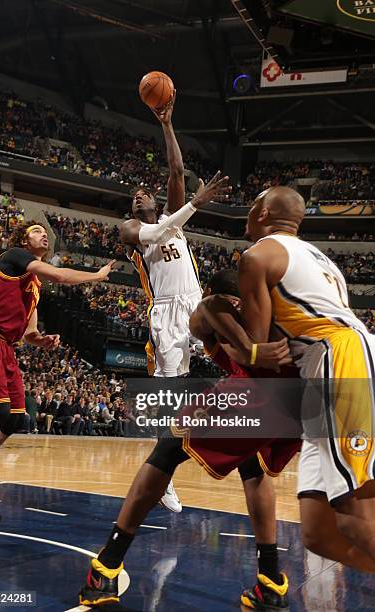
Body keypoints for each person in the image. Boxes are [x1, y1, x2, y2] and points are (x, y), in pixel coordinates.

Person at [77, 269, 298, 608]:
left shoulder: (237, 298)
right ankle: (270, 582)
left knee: (167, 449)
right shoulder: (278, 308)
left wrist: (248, 347)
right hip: (303, 398)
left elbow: (206, 310)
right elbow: (209, 331)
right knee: (254, 468)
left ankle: (105, 567)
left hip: (261, 390)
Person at [237, 186, 375, 576]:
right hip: (336, 362)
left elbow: (261, 347)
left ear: (263, 214)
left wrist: (218, 323)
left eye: (251, 208)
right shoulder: (322, 260)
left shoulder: (257, 255)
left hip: (339, 361)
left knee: (356, 518)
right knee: (320, 533)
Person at [120, 93, 231, 512]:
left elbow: (176, 169)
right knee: (170, 393)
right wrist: (193, 205)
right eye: (134, 195)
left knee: (238, 353)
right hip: (165, 313)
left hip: (195, 304)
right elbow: (154, 232)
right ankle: (162, 473)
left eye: (144, 193)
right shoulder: (132, 229)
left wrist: (166, 123)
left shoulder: (174, 218)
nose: (139, 196)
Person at [0, 222, 116, 525]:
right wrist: (98, 275)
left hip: (6, 345)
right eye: (36, 230)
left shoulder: (34, 286)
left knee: (15, 418)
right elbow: (61, 275)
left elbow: (29, 333)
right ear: (24, 239)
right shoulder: (15, 256)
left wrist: (42, 341)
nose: (43, 234)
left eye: (44, 232)